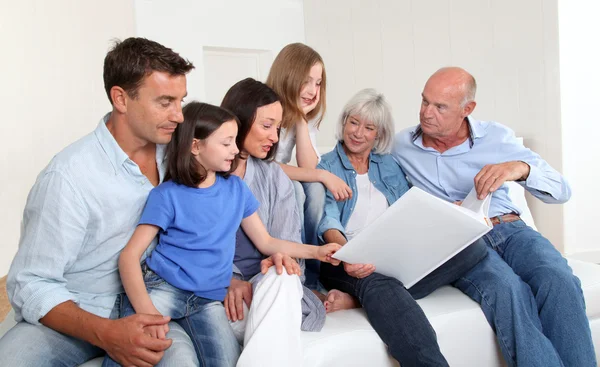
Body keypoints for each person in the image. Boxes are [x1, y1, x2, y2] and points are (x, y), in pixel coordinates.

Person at [0, 38, 199, 367]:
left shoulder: (180, 155)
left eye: (180, 101)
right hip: (80, 306)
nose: (178, 115)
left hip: (153, 301)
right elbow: (31, 281)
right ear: (121, 98)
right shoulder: (68, 177)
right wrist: (106, 333)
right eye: (165, 102)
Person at [108, 101, 341, 367]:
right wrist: (148, 314)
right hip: (163, 288)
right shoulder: (167, 194)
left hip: (206, 299)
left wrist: (318, 252)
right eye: (227, 142)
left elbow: (266, 242)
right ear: (195, 146)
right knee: (135, 353)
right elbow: (128, 258)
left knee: (228, 361)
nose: (235, 149)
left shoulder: (236, 190)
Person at [393, 67, 597, 367]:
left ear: (467, 109)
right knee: (508, 290)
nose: (426, 113)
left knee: (559, 279)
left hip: (510, 229)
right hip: (462, 242)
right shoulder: (402, 146)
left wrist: (520, 169)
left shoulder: (496, 137)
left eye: (440, 107)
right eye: (424, 101)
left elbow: (562, 190)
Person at [317, 88, 488, 366]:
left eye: (369, 127)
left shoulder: (388, 164)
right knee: (379, 284)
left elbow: (411, 205)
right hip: (343, 257)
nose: (358, 133)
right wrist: (349, 255)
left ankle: (361, 299)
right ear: (344, 121)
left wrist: (447, 213)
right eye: (354, 122)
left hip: (390, 252)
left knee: (473, 248)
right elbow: (328, 221)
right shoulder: (326, 166)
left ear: (379, 134)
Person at [220, 78, 330, 367]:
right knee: (273, 310)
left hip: (268, 288)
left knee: (283, 277)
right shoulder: (204, 175)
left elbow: (283, 249)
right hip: (221, 294)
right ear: (239, 120)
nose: (274, 137)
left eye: (278, 129)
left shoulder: (273, 176)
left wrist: (282, 260)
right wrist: (228, 281)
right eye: (266, 126)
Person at [266, 43, 350, 287]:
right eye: (307, 80)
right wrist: (324, 175)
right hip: (256, 176)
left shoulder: (299, 112)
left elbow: (308, 168)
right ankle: (297, 267)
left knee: (312, 188)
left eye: (319, 82)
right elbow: (263, 166)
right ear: (289, 76)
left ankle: (311, 278)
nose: (314, 90)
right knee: (296, 189)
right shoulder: (265, 107)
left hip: (276, 175)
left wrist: (301, 121)